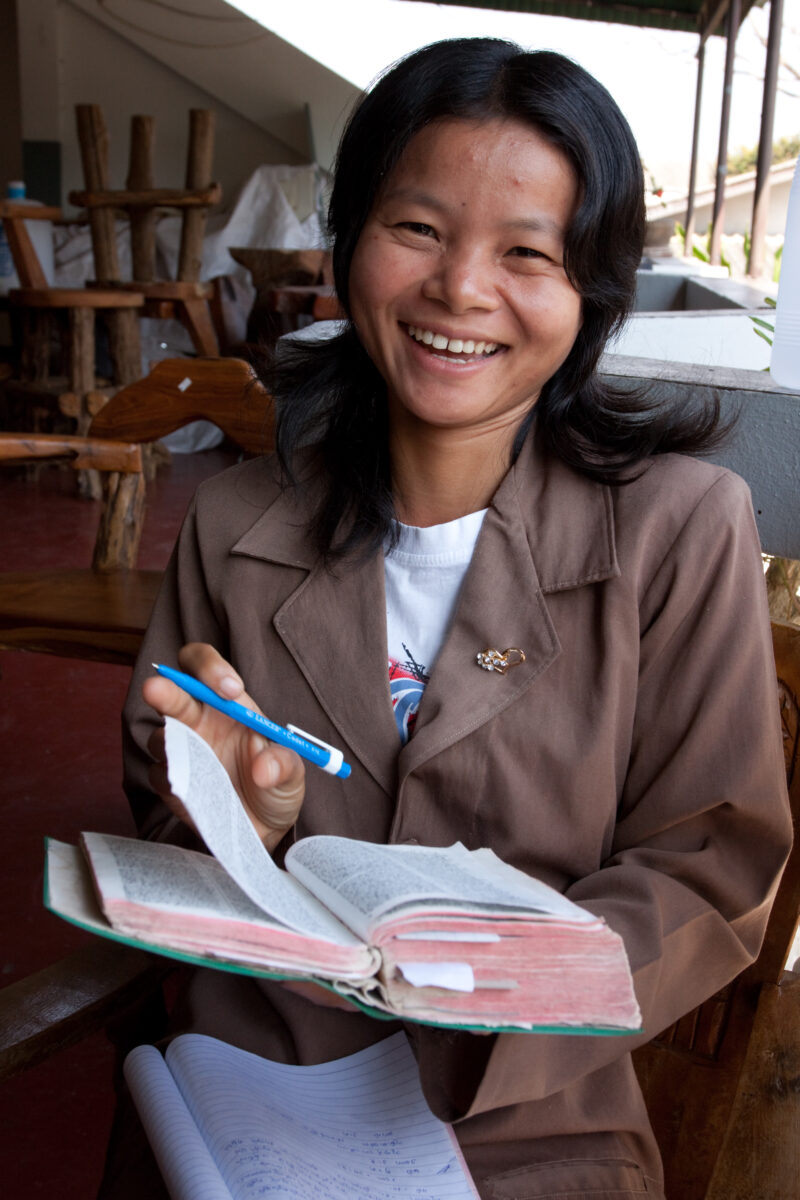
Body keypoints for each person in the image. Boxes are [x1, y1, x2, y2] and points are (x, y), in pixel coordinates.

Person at [112, 38, 791, 1200]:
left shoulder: (682, 528)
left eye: (526, 252)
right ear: (350, 241)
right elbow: (163, 837)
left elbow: (709, 860)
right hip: (256, 1093)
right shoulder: (232, 520)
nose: (460, 291)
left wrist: (494, 987)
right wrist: (243, 825)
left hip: (534, 1122)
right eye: (417, 229)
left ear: (591, 295)